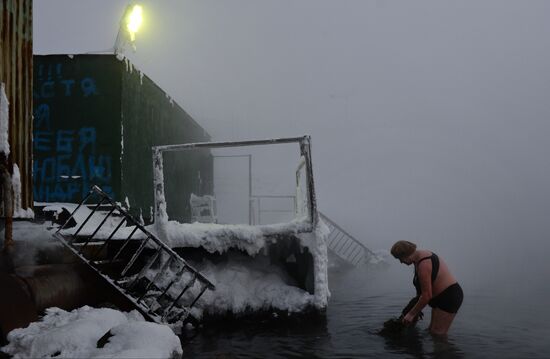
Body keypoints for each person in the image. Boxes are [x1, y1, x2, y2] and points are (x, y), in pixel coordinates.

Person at [391, 240, 463, 336]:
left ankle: (446, 351)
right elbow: (421, 292)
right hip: (438, 298)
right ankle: (436, 350)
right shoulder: (417, 259)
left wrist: (411, 314)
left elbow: (426, 295)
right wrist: (415, 310)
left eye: (400, 259)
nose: (401, 262)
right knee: (431, 331)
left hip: (449, 297)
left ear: (406, 254)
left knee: (438, 334)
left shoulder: (424, 264)